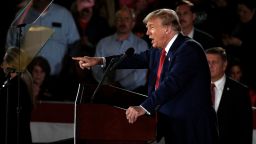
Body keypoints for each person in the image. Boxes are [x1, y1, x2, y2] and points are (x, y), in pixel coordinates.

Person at [73, 8, 218, 144]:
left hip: (192, 126)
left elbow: (172, 83)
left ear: (167, 29)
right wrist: (99, 60)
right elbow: (132, 59)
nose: (147, 32)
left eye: (151, 27)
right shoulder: (158, 51)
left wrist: (144, 107)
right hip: (171, 123)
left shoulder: (188, 49)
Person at [6, 0, 80, 77]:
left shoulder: (64, 14)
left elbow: (75, 44)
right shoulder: (22, 15)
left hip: (55, 78)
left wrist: (69, 70)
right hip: (27, 77)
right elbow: (11, 45)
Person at [92, 6, 149, 94]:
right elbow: (96, 68)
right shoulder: (103, 43)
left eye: (126, 18)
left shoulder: (141, 44)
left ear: (133, 23)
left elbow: (141, 73)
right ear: (115, 22)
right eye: (119, 18)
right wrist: (108, 84)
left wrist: (120, 85)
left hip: (133, 92)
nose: (122, 21)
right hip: (106, 91)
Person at [205, 47, 252, 144]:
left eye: (214, 62)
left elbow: (245, 130)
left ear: (224, 65)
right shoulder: (195, 88)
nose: (210, 66)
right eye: (207, 62)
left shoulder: (240, 92)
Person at [0, 47, 33, 144]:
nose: (2, 66)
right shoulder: (17, 83)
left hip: (14, 137)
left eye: (4, 61)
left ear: (12, 63)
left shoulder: (17, 86)